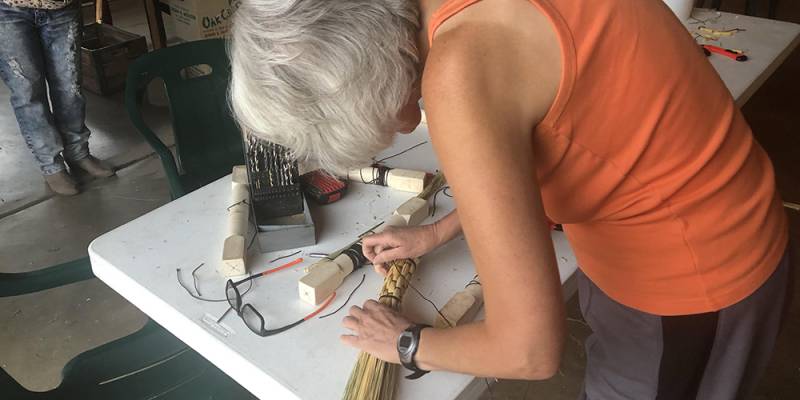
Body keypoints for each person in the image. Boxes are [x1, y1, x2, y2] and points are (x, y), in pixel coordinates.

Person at [229, 0, 791, 398]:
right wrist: (434, 233)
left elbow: (529, 351)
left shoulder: (462, 68)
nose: (402, 130)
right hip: (654, 229)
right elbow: (555, 142)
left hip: (693, 279)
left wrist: (406, 343)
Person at [0, 0, 114, 196]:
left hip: (63, 8)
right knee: (28, 92)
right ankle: (50, 165)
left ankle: (78, 153)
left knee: (70, 86)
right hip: (9, 11)